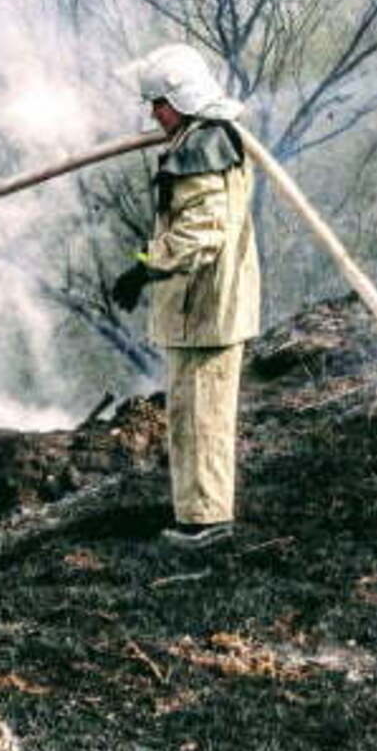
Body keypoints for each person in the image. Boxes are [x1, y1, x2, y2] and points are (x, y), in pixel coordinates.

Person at [109, 44, 261, 549]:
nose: (153, 113)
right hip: (202, 307)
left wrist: (144, 267)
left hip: (206, 307)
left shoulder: (202, 148)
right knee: (191, 413)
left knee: (202, 416)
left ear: (181, 99)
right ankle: (197, 511)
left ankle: (207, 521)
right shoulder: (207, 138)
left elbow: (200, 234)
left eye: (158, 103)